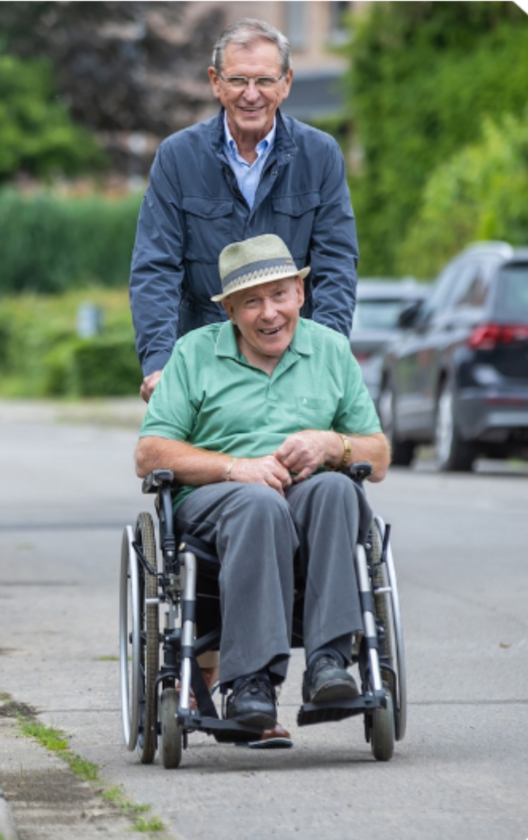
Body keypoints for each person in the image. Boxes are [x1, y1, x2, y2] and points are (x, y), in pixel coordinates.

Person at [135, 233, 389, 736]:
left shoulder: (332, 351)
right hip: (217, 503)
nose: (269, 313)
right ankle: (250, 683)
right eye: (251, 302)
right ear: (230, 310)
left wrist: (331, 445)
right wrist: (236, 467)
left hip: (308, 495)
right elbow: (149, 454)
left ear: (300, 291)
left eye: (279, 296)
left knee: (339, 489)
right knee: (258, 503)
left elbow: (377, 456)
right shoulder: (193, 354)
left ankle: (328, 664)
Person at [130, 18, 359, 403]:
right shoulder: (177, 157)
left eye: (265, 81)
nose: (251, 95)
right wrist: (160, 364)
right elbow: (155, 267)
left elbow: (336, 265)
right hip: (201, 361)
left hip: (291, 361)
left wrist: (326, 357)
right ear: (215, 82)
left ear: (286, 83)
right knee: (183, 462)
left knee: (310, 462)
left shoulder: (320, 155)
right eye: (238, 80)